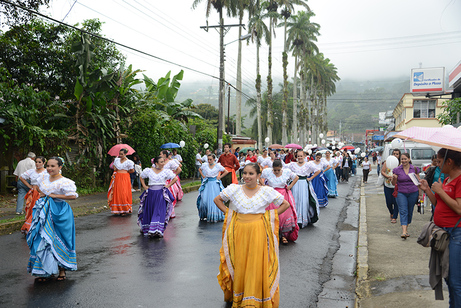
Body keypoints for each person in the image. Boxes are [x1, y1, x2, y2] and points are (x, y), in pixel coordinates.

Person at [213, 163, 290, 307]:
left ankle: (254, 298)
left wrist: (268, 216)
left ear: (258, 175)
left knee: (255, 263)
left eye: (251, 174)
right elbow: (217, 200)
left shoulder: (266, 191)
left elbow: (285, 204)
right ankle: (240, 295)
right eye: (245, 173)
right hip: (239, 230)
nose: (247, 177)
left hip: (258, 230)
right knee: (240, 262)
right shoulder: (234, 189)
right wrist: (230, 214)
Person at [420, 148, 461, 307]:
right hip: (443, 233)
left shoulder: (459, 180)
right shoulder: (447, 179)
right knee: (448, 277)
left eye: (439, 161)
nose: (437, 165)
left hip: (455, 234)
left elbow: (459, 208)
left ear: (449, 162)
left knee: (455, 280)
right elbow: (438, 204)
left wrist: (440, 192)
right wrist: (428, 190)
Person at [27, 157, 78, 282]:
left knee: (60, 239)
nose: (49, 168)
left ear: (60, 167)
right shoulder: (43, 178)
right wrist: (43, 195)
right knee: (42, 239)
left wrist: (54, 195)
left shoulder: (65, 181)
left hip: (60, 211)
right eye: (48, 166)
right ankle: (44, 271)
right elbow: (38, 188)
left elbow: (72, 196)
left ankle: (62, 269)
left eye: (53, 166)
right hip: (43, 210)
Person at [261, 159, 299, 244]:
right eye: (275, 170)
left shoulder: (286, 172)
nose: (277, 172)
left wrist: (290, 186)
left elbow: (296, 177)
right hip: (271, 195)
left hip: (283, 195)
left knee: (283, 216)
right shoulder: (267, 172)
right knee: (272, 215)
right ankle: (273, 234)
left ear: (281, 168)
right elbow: (259, 176)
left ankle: (284, 235)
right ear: (272, 168)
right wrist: (264, 186)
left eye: (278, 170)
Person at [138, 156, 177, 238]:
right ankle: (150, 229)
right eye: (161, 162)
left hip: (160, 194)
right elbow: (141, 177)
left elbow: (175, 178)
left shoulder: (166, 172)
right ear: (156, 163)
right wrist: (144, 186)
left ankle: (157, 230)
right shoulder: (149, 171)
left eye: (163, 162)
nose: (163, 164)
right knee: (150, 211)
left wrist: (168, 186)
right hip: (151, 194)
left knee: (159, 212)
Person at [288, 150, 320, 228]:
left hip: (304, 184)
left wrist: (310, 178)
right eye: (298, 156)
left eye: (301, 156)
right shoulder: (292, 165)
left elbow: (318, 171)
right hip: (295, 184)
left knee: (303, 200)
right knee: (295, 200)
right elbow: (284, 168)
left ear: (304, 156)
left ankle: (302, 219)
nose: (300, 158)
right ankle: (294, 219)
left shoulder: (308, 165)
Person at [392, 152, 421, 239]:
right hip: (401, 192)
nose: (404, 161)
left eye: (405, 159)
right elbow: (394, 184)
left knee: (410, 210)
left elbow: (418, 183)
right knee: (403, 210)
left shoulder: (414, 169)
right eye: (402, 159)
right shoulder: (397, 170)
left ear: (409, 159)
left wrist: (420, 194)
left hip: (413, 192)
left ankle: (406, 228)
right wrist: (394, 178)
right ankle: (404, 231)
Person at [20, 156, 48, 234]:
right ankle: (29, 227)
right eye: (36, 162)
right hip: (33, 193)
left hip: (41, 194)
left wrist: (44, 192)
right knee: (30, 209)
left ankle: (39, 228)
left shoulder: (46, 172)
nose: (37, 164)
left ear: (44, 163)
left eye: (40, 162)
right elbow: (21, 177)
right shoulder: (32, 171)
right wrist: (30, 186)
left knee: (39, 210)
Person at [197, 154, 228, 222]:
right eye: (208, 159)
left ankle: (215, 215)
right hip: (207, 184)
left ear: (214, 159)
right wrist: (203, 176)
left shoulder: (217, 166)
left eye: (210, 159)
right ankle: (206, 214)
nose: (209, 161)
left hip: (215, 184)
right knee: (204, 200)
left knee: (214, 200)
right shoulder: (205, 165)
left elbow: (226, 171)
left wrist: (219, 177)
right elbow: (199, 169)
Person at [108, 148, 135, 216]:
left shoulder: (129, 162)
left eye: (122, 154)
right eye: (119, 154)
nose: (120, 155)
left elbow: (132, 170)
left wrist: (125, 172)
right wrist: (116, 169)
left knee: (124, 192)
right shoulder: (117, 160)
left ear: (125, 154)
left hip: (125, 177)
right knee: (117, 192)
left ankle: (124, 209)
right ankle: (117, 209)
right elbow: (114, 167)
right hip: (118, 177)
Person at [381, 149, 401, 223]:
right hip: (387, 185)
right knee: (389, 202)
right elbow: (382, 171)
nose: (395, 155)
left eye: (397, 154)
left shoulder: (400, 164)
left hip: (397, 186)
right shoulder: (387, 162)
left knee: (396, 202)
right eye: (394, 153)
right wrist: (387, 176)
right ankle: (391, 212)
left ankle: (394, 217)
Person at [160, 150, 182, 217]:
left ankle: (169, 213)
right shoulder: (160, 162)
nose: (159, 155)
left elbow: (179, 169)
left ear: (164, 155)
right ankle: (163, 213)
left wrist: (173, 176)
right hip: (161, 182)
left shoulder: (170, 162)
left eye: (160, 154)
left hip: (168, 183)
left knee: (168, 198)